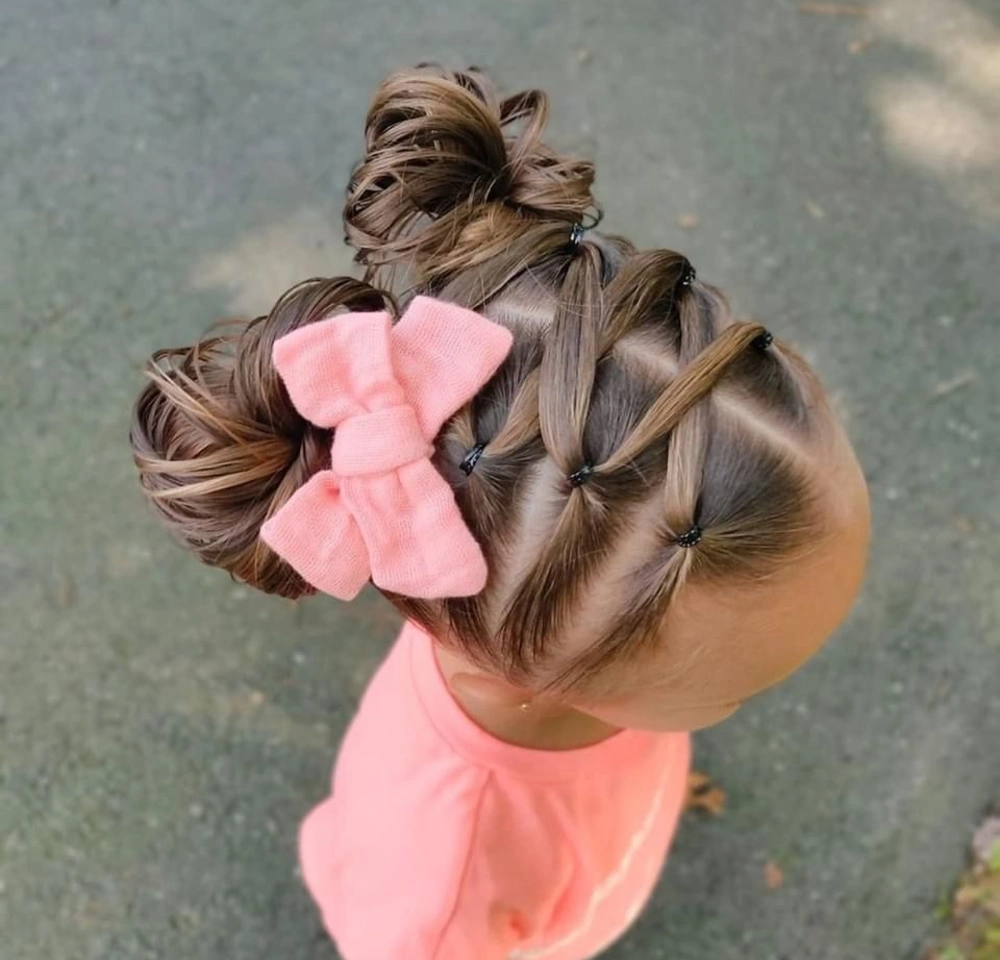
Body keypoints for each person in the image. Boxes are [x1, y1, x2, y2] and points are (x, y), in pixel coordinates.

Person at [129, 66, 870, 960]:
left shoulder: (557, 620)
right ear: (549, 679)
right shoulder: (435, 890)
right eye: (740, 689)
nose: (749, 702)